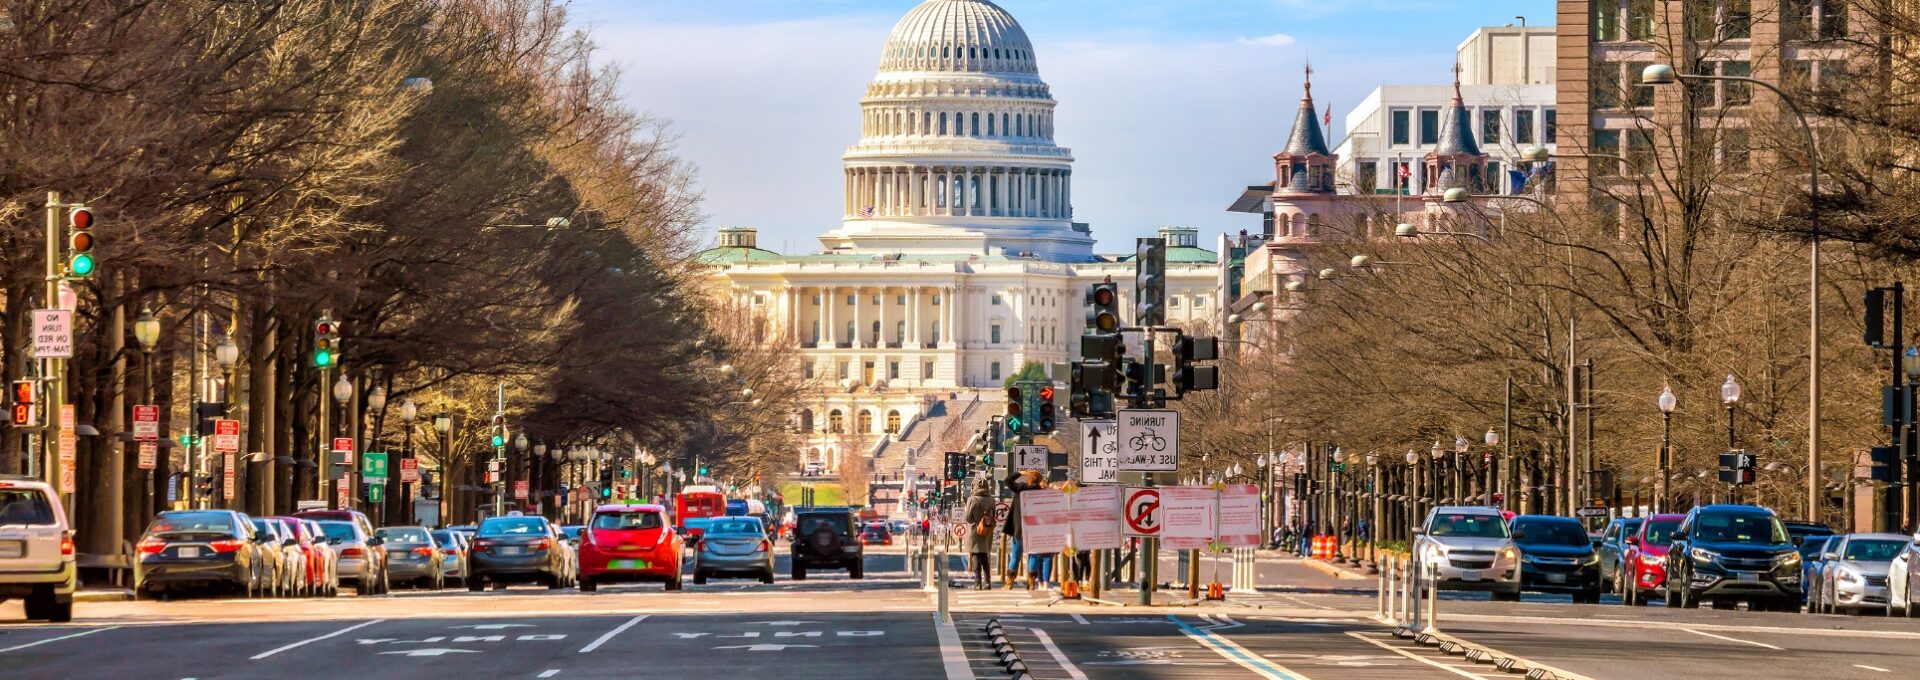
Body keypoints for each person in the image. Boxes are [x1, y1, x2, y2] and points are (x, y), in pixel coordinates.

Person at [963, 479, 997, 589]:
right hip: (987, 531)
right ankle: (988, 582)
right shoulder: (991, 500)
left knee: (976, 556)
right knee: (985, 557)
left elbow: (968, 517)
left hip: (975, 530)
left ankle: (978, 582)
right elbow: (994, 515)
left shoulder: (972, 499)